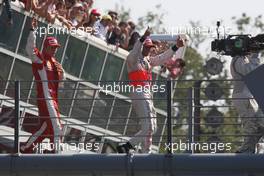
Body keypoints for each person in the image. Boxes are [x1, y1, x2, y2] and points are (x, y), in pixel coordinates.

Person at [117, 27, 185, 153]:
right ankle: (128, 147)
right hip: (139, 92)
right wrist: (143, 37)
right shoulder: (133, 58)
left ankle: (143, 151)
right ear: (142, 46)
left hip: (146, 94)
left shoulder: (148, 60)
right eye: (147, 47)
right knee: (149, 127)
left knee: (152, 127)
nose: (149, 49)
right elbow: (136, 49)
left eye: (150, 47)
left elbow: (162, 58)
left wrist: (176, 46)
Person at [20, 18, 65, 153]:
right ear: (45, 47)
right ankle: (56, 153)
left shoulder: (54, 62)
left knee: (45, 128)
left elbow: (61, 82)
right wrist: (32, 31)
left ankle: (25, 148)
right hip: (46, 99)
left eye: (56, 48)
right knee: (57, 126)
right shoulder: (40, 58)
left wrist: (62, 72)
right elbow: (30, 49)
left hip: (53, 100)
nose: (54, 50)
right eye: (52, 47)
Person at [231, 53, 264, 153]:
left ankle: (252, 147)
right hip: (244, 96)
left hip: (248, 95)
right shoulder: (238, 60)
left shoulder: (242, 59)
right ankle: (246, 149)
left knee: (259, 124)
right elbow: (252, 71)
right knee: (251, 124)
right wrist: (256, 56)